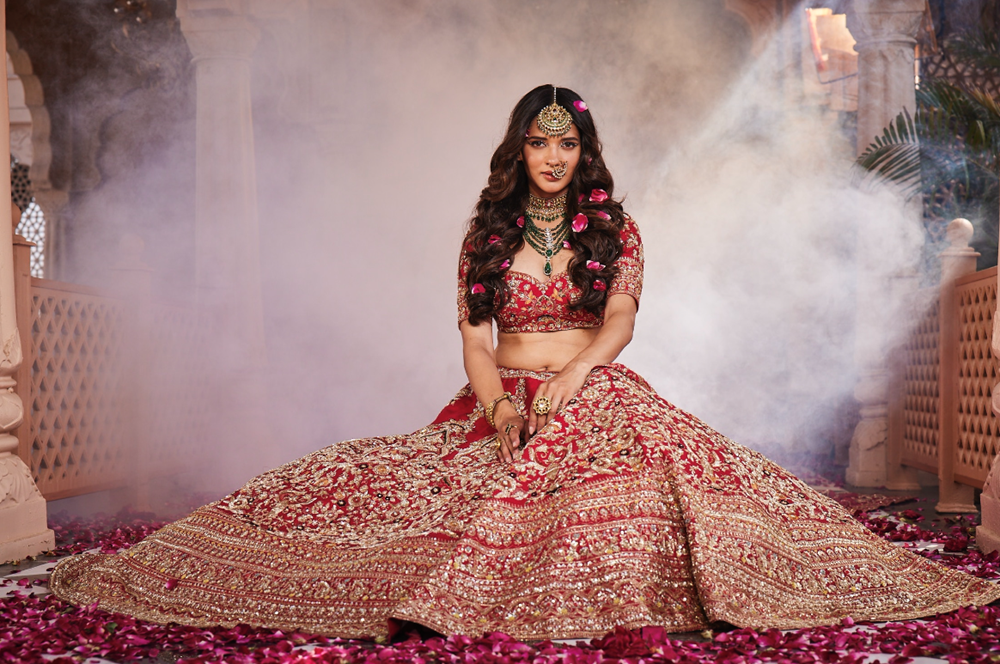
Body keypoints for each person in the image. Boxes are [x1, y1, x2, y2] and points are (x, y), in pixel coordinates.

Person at [50, 85, 1000, 641]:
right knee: (372, 486)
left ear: (586, 149)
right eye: (540, 141)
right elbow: (473, 341)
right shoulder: (486, 232)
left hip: (597, 387)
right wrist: (503, 407)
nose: (553, 155)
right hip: (500, 398)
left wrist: (575, 379)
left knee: (666, 475)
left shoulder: (616, 227)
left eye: (567, 141)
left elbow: (620, 321)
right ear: (521, 147)